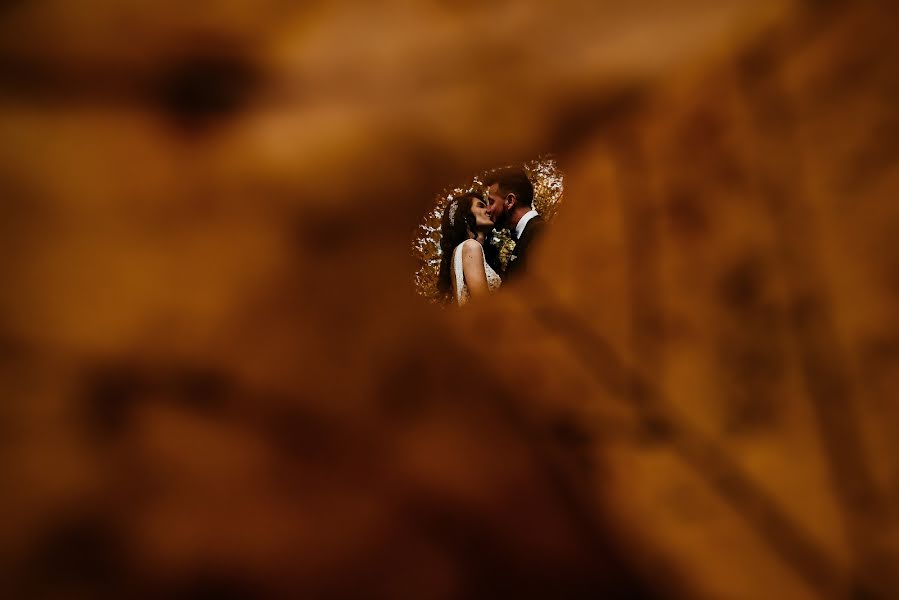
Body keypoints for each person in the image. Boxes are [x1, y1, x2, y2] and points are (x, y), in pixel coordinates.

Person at [437, 191, 502, 306]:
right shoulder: (471, 247)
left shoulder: (461, 251)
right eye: (480, 206)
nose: (488, 210)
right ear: (465, 216)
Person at [485, 168, 545, 283]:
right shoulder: (528, 235)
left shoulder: (540, 233)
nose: (488, 210)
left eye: (491, 202)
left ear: (510, 201)